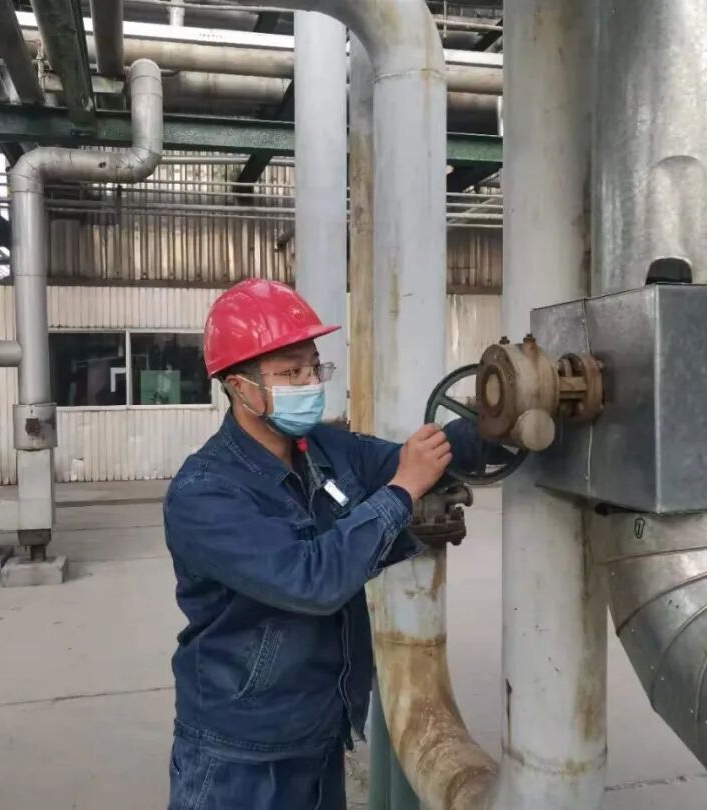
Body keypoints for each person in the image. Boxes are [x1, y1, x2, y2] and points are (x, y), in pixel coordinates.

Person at [164, 279, 495, 810]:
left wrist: (497, 423)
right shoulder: (205, 493)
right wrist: (400, 493)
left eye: (314, 368)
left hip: (319, 735)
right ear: (238, 386)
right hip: (238, 754)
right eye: (290, 372)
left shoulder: (325, 448)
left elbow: (420, 457)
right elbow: (310, 580)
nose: (309, 383)